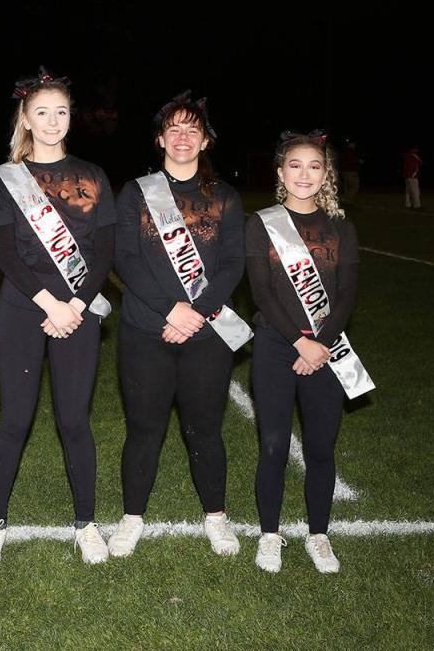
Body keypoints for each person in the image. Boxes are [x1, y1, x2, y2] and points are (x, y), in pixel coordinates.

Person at [0, 67, 116, 566]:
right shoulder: (3, 180)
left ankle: (86, 523)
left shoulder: (94, 175)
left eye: (61, 112)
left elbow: (102, 252)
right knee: (14, 420)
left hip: (79, 310)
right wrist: (50, 303)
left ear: (70, 117)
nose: (52, 121)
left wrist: (75, 304)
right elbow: (5, 254)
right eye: (42, 113)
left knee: (75, 421)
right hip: (23, 307)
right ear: (26, 120)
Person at [109, 92, 250, 559]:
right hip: (145, 329)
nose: (183, 136)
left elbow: (232, 264)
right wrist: (172, 309)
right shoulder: (135, 192)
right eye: (175, 128)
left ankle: (217, 517)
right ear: (160, 139)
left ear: (205, 139)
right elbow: (125, 258)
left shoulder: (225, 196)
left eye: (193, 129)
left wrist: (196, 313)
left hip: (206, 335)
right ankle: (132, 518)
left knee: (205, 430)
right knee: (144, 429)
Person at [245, 130, 361, 574]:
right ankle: (270, 535)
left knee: (320, 446)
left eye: (315, 165)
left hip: (327, 347)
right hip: (277, 346)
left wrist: (321, 343)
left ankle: (318, 534)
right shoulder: (260, 224)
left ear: (326, 173)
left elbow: (347, 296)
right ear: (280, 172)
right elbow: (261, 293)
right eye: (295, 165)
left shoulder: (341, 228)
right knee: (273, 443)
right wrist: (299, 342)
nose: (305, 174)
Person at [340, 139, 360, 204]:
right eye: (353, 144)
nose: (354, 145)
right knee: (354, 186)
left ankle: (344, 199)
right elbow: (350, 161)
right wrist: (358, 161)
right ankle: (346, 199)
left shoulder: (345, 152)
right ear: (350, 145)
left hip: (345, 172)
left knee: (347, 187)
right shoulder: (350, 152)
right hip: (350, 171)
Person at [403, 145, 422, 209]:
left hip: (407, 176)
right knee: (415, 191)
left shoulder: (406, 156)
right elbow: (420, 162)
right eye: (415, 149)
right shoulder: (413, 156)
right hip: (412, 176)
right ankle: (417, 205)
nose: (417, 151)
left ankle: (407, 204)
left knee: (408, 191)